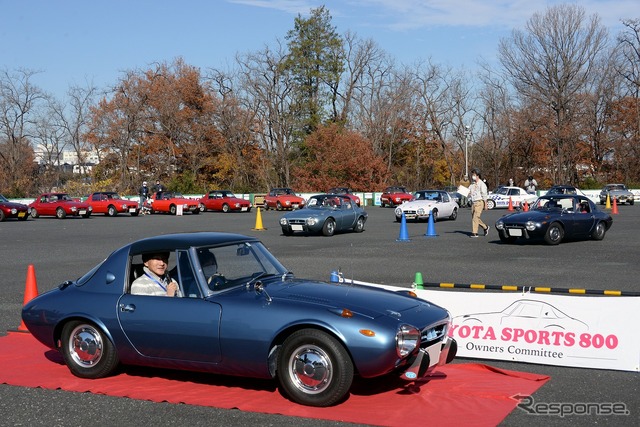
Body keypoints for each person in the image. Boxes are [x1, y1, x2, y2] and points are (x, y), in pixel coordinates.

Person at [468, 168, 489, 238]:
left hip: (479, 202)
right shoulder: (472, 184)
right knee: (475, 218)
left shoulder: (481, 184)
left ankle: (475, 233)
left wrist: (485, 204)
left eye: (474, 175)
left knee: (475, 217)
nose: (472, 176)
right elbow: (469, 191)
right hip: (473, 202)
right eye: (472, 174)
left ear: (478, 175)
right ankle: (485, 227)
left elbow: (484, 194)